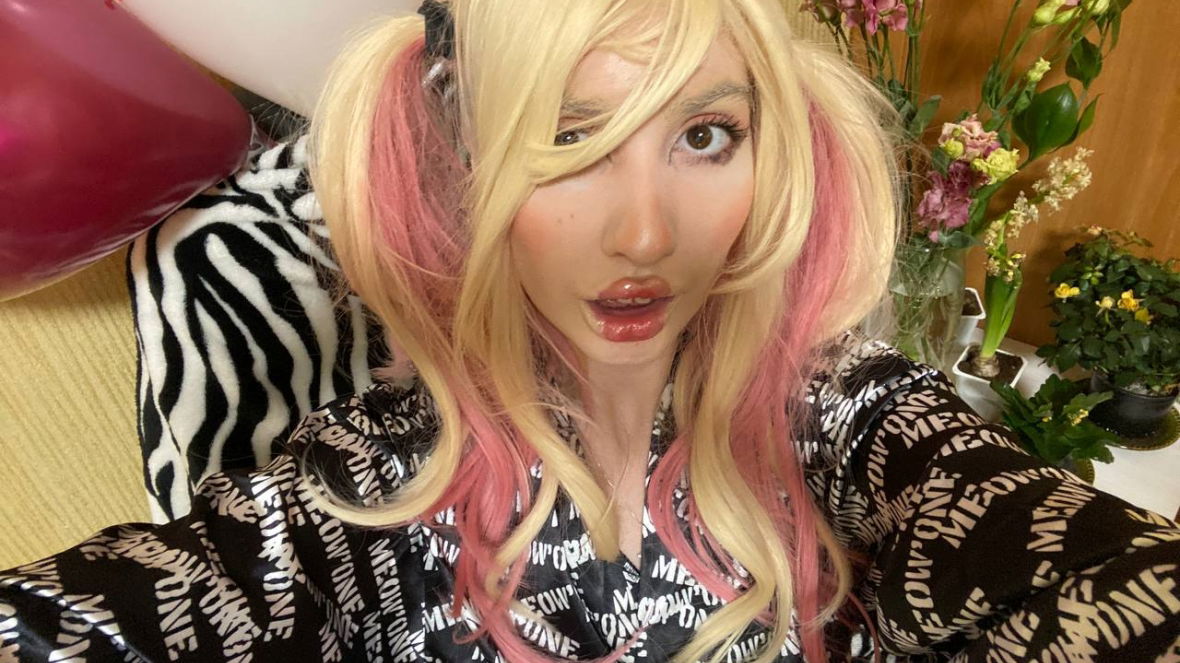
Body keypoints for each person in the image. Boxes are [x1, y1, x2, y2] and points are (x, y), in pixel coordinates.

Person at [2, 0, 1178, 661]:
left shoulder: (850, 425)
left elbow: (1093, 580)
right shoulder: (367, 489)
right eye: (565, 142)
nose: (644, 234)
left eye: (705, 135)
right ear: (469, 169)